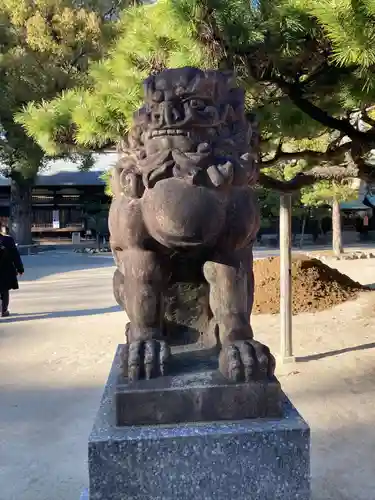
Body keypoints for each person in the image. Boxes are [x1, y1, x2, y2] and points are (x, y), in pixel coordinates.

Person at [0, 226, 24, 317]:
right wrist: (20, 268)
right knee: (4, 290)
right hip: (6, 268)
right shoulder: (8, 240)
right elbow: (15, 255)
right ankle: (4, 310)